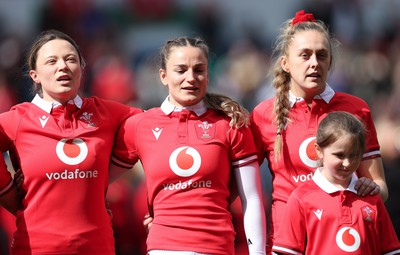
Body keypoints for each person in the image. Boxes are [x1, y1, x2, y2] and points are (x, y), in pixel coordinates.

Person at [110, 36, 267, 255]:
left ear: (208, 74)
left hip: (216, 248)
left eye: (199, 70)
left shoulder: (231, 123)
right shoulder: (140, 125)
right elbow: (96, 183)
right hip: (163, 248)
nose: (191, 78)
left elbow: (252, 199)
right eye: (181, 70)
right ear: (163, 76)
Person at [250, 10, 388, 253]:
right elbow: (240, 189)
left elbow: (380, 186)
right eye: (304, 55)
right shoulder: (263, 114)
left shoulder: (356, 109)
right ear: (285, 63)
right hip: (286, 245)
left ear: (330, 62)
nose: (314, 63)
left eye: (321, 55)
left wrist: (371, 189)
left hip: (340, 241)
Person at [0, 29, 144, 254]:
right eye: (51, 61)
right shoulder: (17, 119)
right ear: (34, 75)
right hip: (36, 248)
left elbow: (157, 125)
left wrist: (109, 173)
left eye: (70, 59)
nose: (63, 66)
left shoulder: (106, 112)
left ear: (82, 69)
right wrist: (9, 194)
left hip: (97, 247)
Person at [272, 111, 400, 255]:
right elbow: (286, 251)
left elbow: (390, 251)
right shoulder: (301, 198)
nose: (347, 163)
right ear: (318, 150)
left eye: (354, 155)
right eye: (339, 155)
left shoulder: (371, 197)